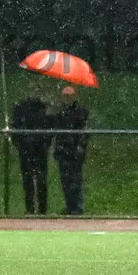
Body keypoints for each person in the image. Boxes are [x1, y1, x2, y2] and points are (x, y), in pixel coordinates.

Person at [10, 82, 52, 215]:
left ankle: (42, 210)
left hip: (40, 148)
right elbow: (15, 127)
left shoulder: (45, 109)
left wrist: (45, 142)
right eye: (33, 90)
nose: (35, 93)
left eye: (37, 91)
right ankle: (30, 209)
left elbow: (50, 129)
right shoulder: (20, 108)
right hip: (26, 149)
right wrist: (19, 142)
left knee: (42, 180)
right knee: (27, 180)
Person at [51, 85, 89, 215]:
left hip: (75, 151)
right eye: (65, 96)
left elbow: (84, 131)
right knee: (65, 180)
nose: (67, 99)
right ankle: (70, 205)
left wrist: (80, 146)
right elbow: (57, 131)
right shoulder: (60, 113)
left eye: (69, 96)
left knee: (75, 179)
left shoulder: (81, 112)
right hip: (63, 151)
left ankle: (77, 206)